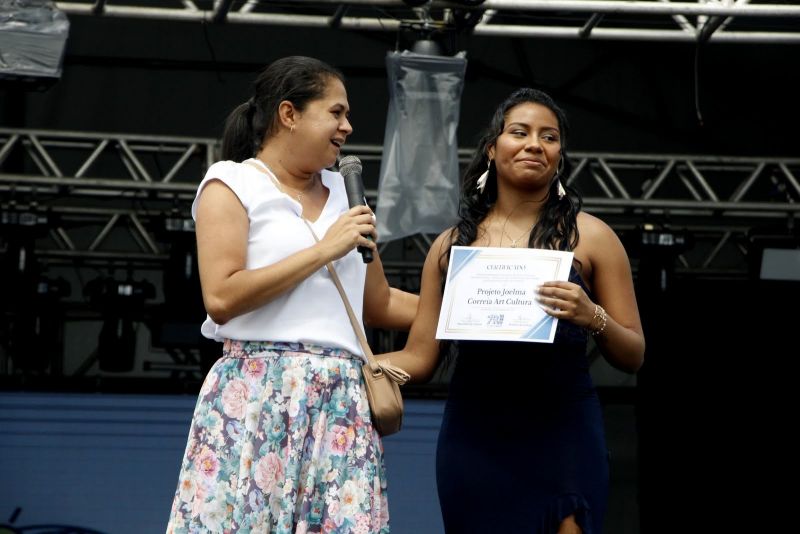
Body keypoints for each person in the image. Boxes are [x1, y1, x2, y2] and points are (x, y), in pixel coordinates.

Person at [166, 56, 418, 533]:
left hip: (342, 399)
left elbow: (379, 303)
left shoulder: (348, 196)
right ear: (289, 114)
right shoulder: (232, 182)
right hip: (257, 390)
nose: (348, 125)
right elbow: (221, 295)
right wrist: (326, 249)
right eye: (336, 112)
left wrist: (464, 309)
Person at [377, 88, 645, 533]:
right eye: (519, 132)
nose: (535, 144)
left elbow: (633, 354)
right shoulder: (450, 246)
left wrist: (592, 314)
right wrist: (345, 364)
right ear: (492, 149)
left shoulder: (593, 238)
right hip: (475, 435)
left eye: (549, 137)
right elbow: (420, 358)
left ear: (559, 154)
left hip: (563, 432)